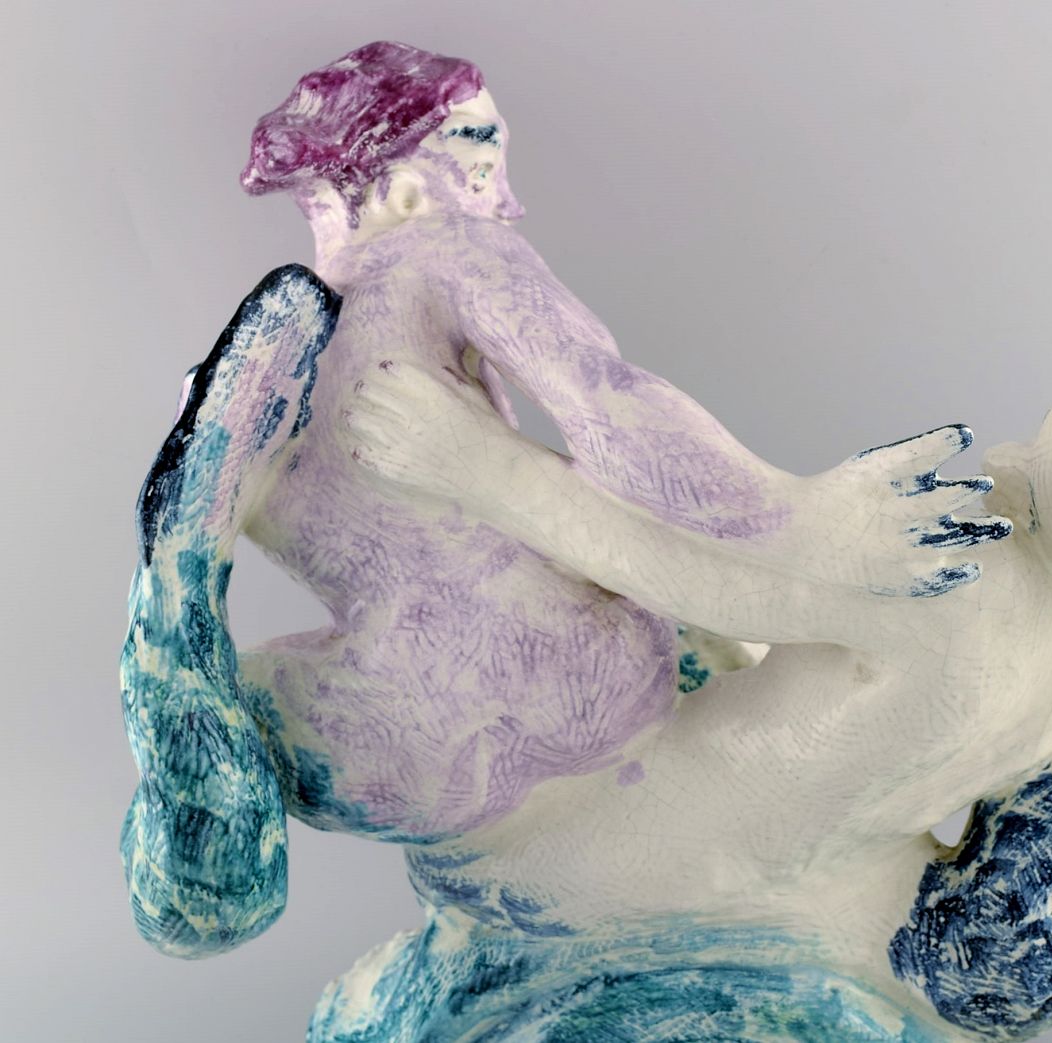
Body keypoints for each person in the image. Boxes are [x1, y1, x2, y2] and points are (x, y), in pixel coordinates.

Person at [120, 40, 1003, 959]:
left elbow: (180, 572)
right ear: (406, 188)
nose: (507, 198)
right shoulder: (443, 249)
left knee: (245, 682)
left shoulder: (229, 390)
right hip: (581, 683)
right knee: (664, 576)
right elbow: (612, 406)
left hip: (385, 762)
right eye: (482, 158)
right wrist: (798, 514)